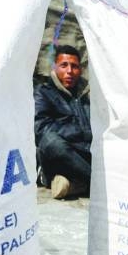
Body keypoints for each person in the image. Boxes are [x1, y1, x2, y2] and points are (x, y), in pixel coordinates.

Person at [34, 45, 91, 199]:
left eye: (74, 66)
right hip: (61, 155)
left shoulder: (86, 94)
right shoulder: (43, 92)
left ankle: (73, 185)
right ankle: (97, 183)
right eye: (64, 65)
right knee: (52, 142)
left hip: (85, 153)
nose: (69, 71)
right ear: (55, 67)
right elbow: (41, 129)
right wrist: (80, 133)